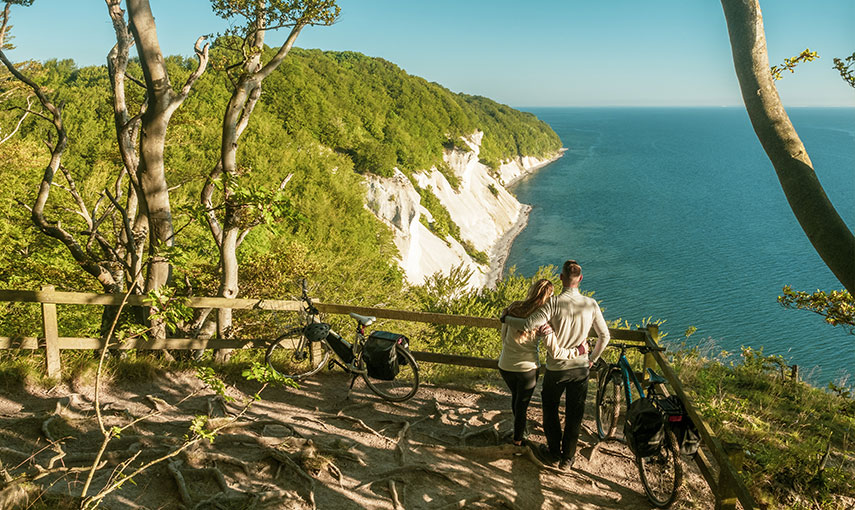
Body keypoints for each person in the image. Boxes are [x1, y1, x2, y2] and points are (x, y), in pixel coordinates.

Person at [502, 260, 610, 470]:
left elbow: (526, 324)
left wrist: (506, 319)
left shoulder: (552, 304)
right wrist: (591, 360)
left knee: (550, 409)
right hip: (580, 368)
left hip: (557, 369)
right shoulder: (591, 304)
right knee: (574, 413)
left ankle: (553, 452)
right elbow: (604, 336)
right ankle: (568, 458)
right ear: (580, 279)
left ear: (561, 278)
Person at [498, 279, 555, 447]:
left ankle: (520, 432)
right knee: (521, 404)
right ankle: (518, 440)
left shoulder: (513, 308)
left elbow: (503, 336)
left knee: (516, 399)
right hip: (527, 368)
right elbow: (549, 343)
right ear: (548, 296)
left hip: (506, 365)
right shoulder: (543, 317)